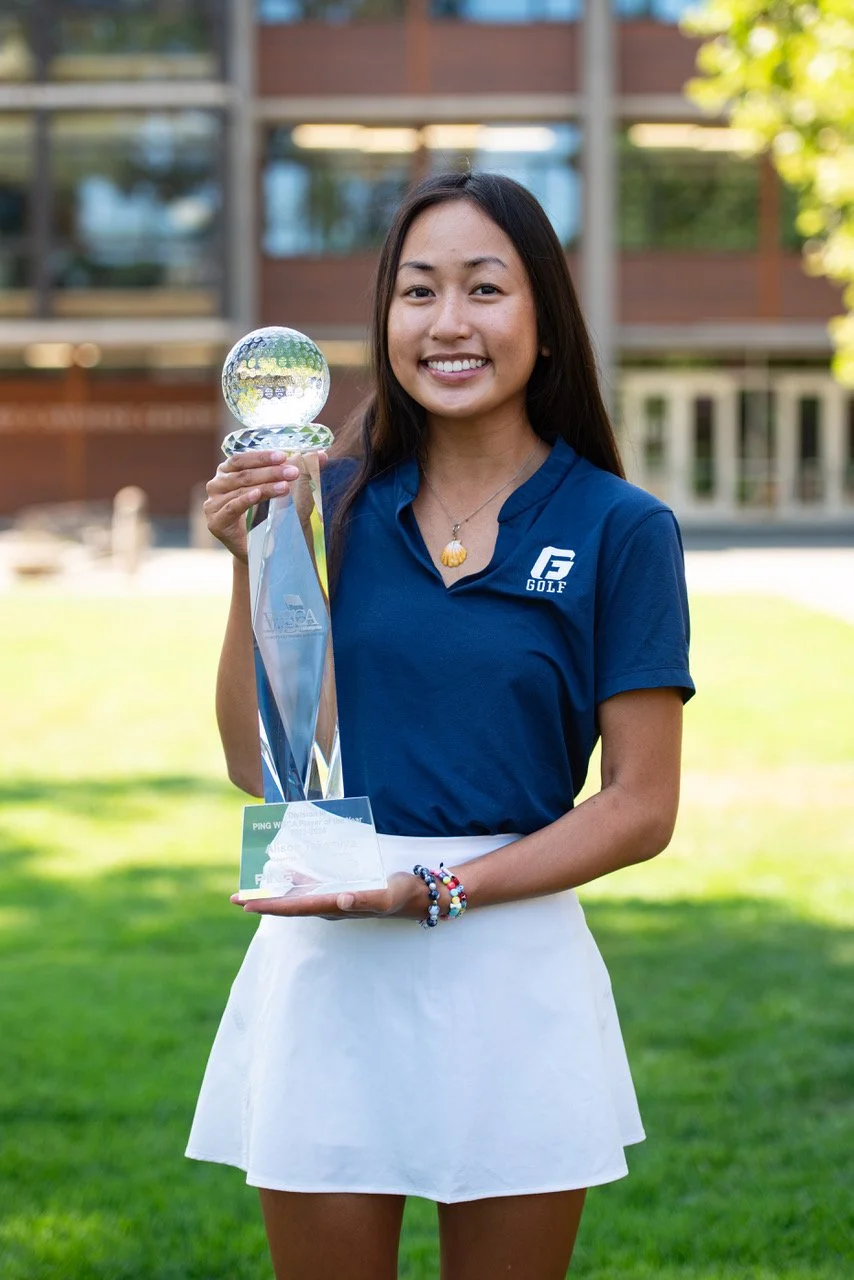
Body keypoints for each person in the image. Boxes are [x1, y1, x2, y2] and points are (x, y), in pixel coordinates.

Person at [187, 170, 694, 1280]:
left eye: (483, 288)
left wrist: (440, 889)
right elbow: (257, 764)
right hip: (328, 958)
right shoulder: (329, 502)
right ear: (385, 320)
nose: (448, 323)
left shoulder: (622, 528)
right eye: (417, 292)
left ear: (543, 321)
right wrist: (254, 560)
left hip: (512, 962)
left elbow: (640, 805)